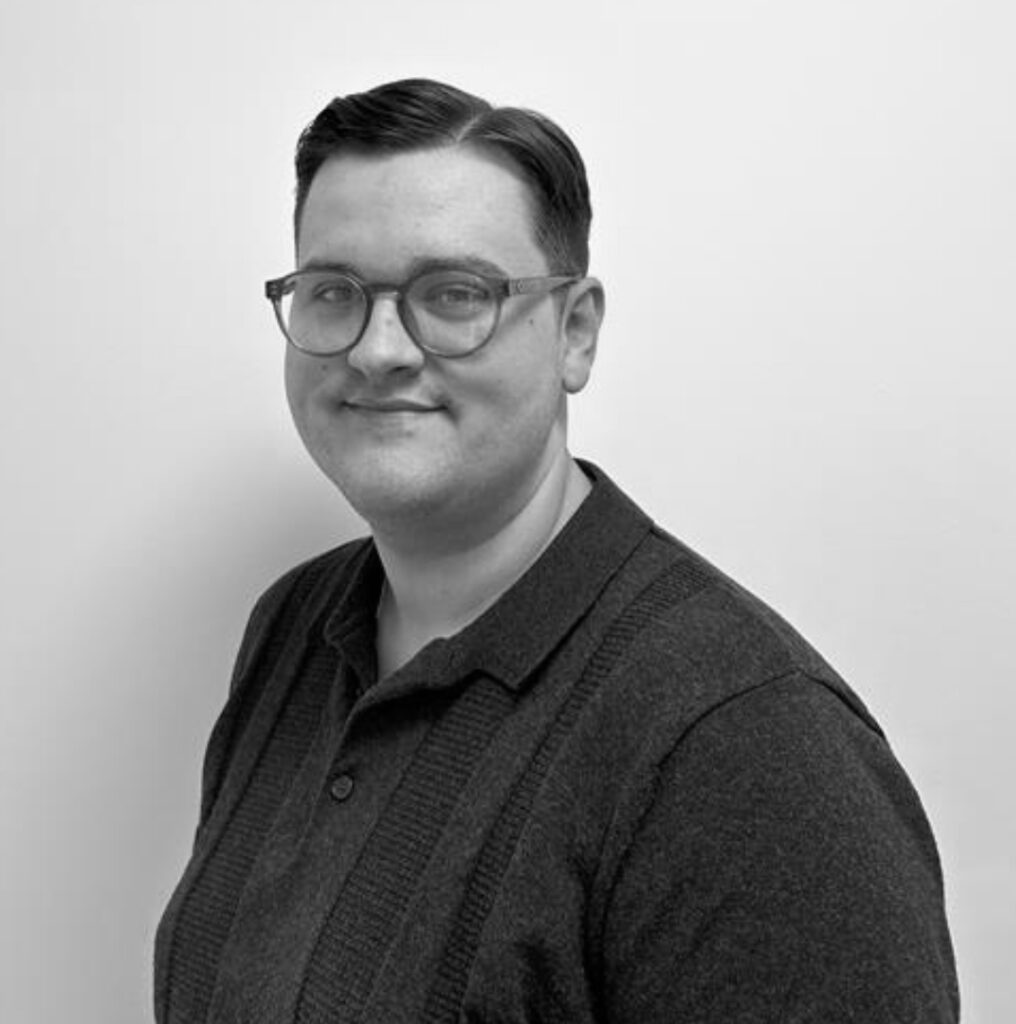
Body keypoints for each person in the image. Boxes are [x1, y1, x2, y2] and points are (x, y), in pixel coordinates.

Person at [154, 78, 958, 1023]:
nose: (377, 351)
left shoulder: (748, 748)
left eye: (454, 294)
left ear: (575, 333)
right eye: (334, 292)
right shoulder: (294, 626)